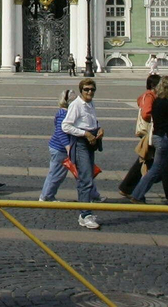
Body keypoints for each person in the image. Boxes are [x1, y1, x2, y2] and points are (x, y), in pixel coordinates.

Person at [130, 76, 168, 207]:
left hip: (160, 137)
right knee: (156, 169)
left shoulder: (156, 102)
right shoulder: (167, 104)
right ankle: (137, 194)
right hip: (165, 139)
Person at [60, 78, 103, 227]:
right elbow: (65, 126)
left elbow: (91, 122)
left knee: (87, 177)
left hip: (90, 143)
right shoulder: (76, 105)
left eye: (92, 89)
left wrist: (99, 129)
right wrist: (85, 134)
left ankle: (85, 212)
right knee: (86, 179)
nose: (89, 92)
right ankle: (85, 214)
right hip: (80, 144)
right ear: (81, 90)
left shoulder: (90, 104)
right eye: (86, 89)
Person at [117, 74, 160, 200]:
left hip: (149, 132)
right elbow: (146, 113)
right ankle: (130, 189)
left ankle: (127, 187)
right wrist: (158, 117)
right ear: (153, 85)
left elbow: (138, 101)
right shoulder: (150, 96)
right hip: (149, 131)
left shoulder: (146, 95)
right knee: (146, 160)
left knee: (144, 159)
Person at [39, 89, 76, 202]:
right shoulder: (64, 113)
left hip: (62, 148)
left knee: (82, 172)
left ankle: (93, 194)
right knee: (56, 174)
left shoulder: (64, 112)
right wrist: (68, 147)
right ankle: (46, 196)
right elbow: (61, 132)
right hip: (61, 149)